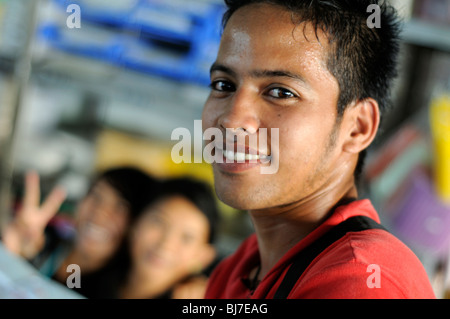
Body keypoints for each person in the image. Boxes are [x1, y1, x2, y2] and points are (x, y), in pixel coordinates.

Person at [201, 0, 436, 299]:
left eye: (281, 92)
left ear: (357, 127)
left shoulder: (362, 282)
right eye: (223, 85)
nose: (232, 120)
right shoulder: (242, 267)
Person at [2, 167, 158, 298]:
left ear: (136, 227)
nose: (100, 212)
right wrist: (11, 254)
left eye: (120, 207)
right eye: (96, 196)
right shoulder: (43, 240)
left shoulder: (111, 293)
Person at [115, 177, 219, 299]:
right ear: (135, 222)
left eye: (187, 238)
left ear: (204, 257)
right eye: (158, 222)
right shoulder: (92, 275)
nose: (166, 244)